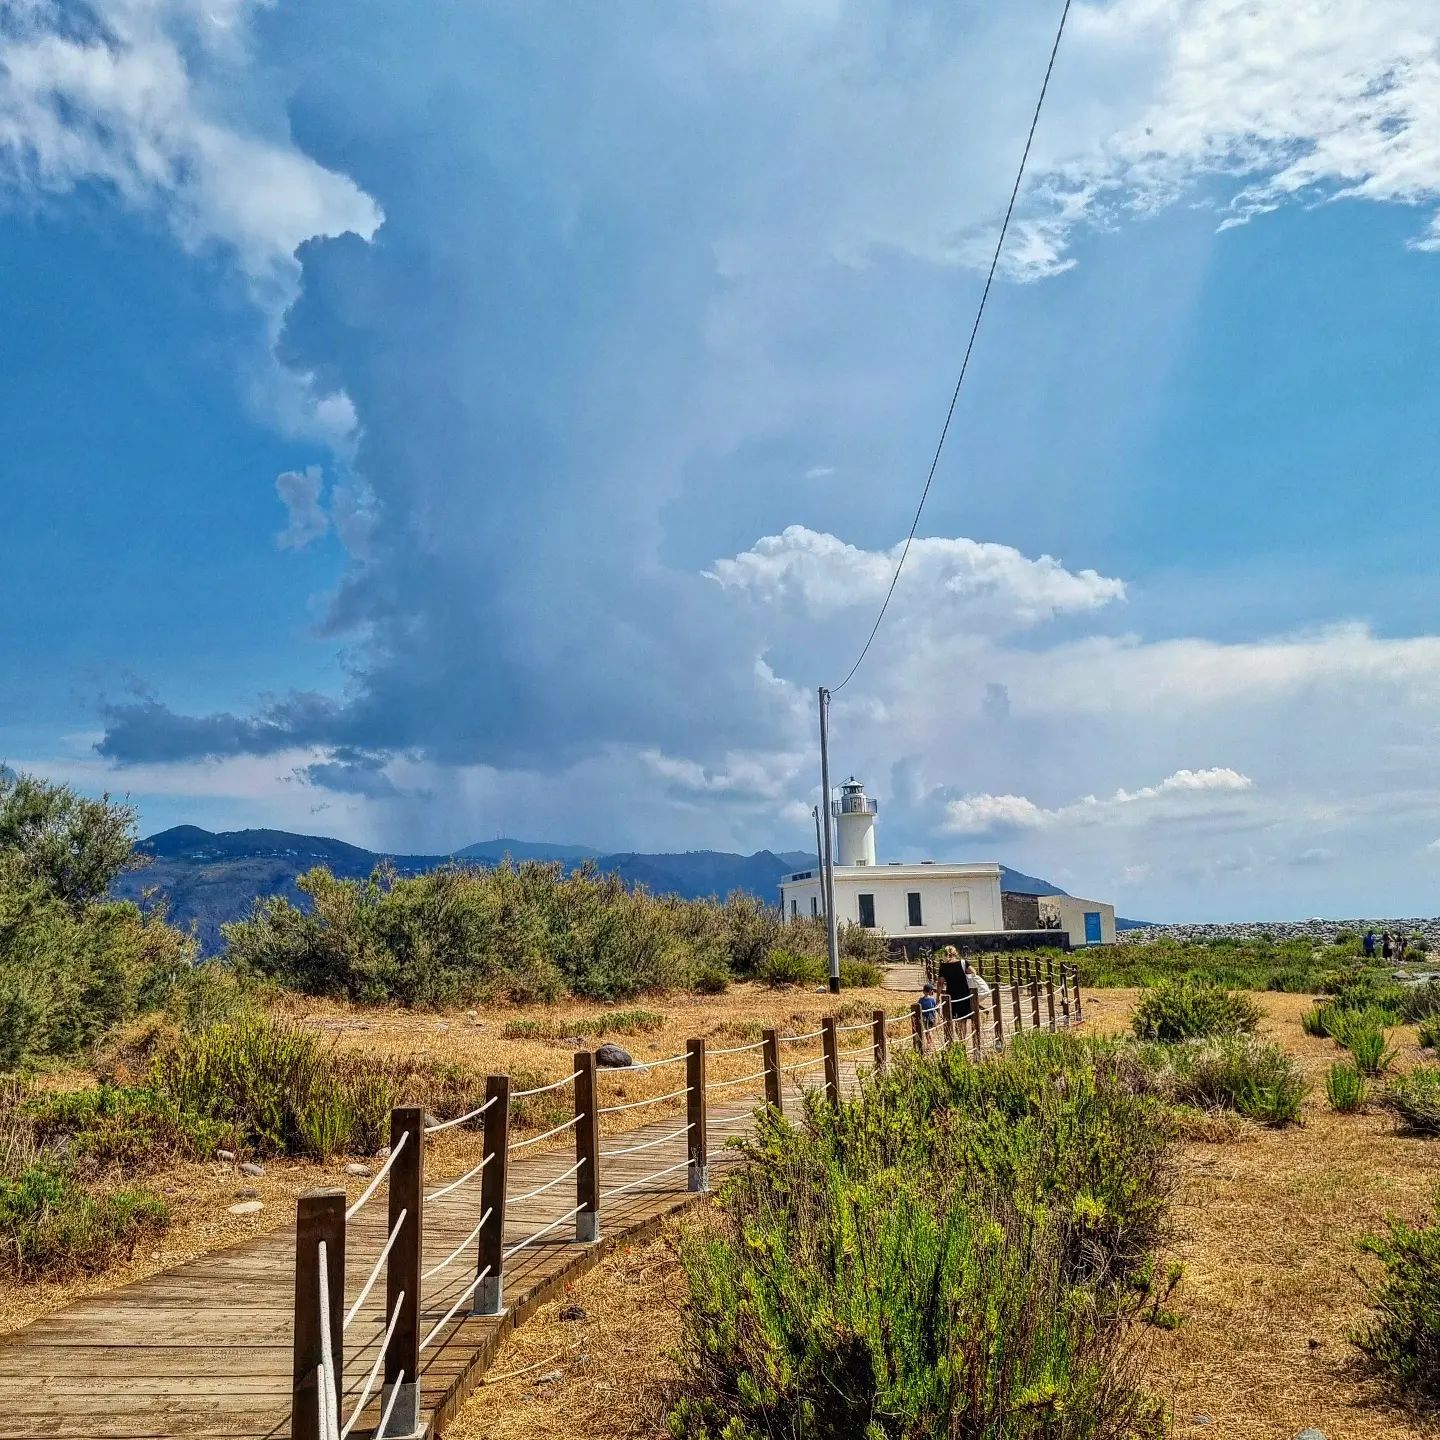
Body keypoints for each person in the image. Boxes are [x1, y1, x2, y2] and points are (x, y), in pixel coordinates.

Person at [919, 982, 940, 1047]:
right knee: (929, 1030)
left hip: (924, 1017)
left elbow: (918, 1008)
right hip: (931, 1017)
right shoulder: (932, 1000)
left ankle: (929, 1042)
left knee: (927, 1031)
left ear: (923, 991)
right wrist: (939, 1013)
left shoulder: (921, 1000)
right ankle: (930, 1043)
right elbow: (936, 1008)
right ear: (931, 991)